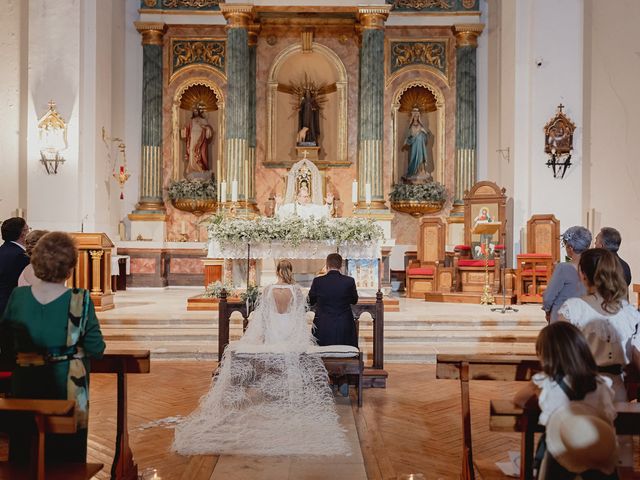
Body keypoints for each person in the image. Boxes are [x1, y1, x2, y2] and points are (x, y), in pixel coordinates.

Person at [173, 260, 348, 456]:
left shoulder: (268, 290)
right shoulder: (296, 291)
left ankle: (271, 392)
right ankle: (288, 392)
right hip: (290, 333)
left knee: (269, 354)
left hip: (274, 333)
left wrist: (263, 337)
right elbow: (300, 317)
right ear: (291, 271)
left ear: (276, 271)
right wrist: (299, 338)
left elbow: (263, 318)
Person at [0, 232, 105, 463]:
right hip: (67, 389)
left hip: (25, 385)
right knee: (65, 459)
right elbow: (96, 348)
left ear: (36, 260)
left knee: (24, 455)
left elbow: (6, 345)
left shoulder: (18, 297)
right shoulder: (80, 299)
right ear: (70, 266)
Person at [514, 322, 618, 479]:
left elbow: (519, 399)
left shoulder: (546, 382)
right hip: (597, 447)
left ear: (546, 356)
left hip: (560, 449)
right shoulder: (602, 383)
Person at [557, 248, 639, 401]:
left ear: (583, 275)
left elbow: (561, 356)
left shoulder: (572, 309)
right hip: (617, 391)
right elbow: (636, 355)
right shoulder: (630, 312)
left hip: (583, 391)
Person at [542, 226, 591, 322]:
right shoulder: (594, 267)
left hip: (563, 321)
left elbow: (548, 297)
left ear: (570, 247)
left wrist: (547, 311)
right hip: (585, 318)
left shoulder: (563, 268)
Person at [309, 253, 359, 348]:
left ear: (327, 265)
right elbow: (354, 300)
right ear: (341, 265)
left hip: (323, 326)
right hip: (344, 326)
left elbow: (310, 301)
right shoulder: (349, 281)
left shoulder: (318, 281)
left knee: (321, 351)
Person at [0, 217, 30, 315]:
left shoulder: (2, 250)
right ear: (23, 233)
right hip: (11, 306)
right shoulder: (21, 256)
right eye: (28, 229)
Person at [181, 102, 214, 175]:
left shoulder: (203, 120)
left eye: (196, 110)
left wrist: (205, 127)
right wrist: (184, 130)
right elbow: (187, 130)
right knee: (192, 151)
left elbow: (209, 130)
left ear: (199, 111)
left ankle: (201, 168)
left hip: (201, 139)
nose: (195, 112)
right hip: (192, 138)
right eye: (194, 111)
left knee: (201, 152)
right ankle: (192, 168)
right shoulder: (191, 121)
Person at [402, 108, 434, 182]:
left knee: (421, 158)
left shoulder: (420, 125)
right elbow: (408, 136)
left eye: (417, 116)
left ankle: (421, 171)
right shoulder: (411, 126)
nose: (415, 117)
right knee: (413, 158)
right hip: (414, 146)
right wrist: (407, 141)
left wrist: (424, 134)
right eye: (414, 116)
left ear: (418, 117)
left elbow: (426, 134)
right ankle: (413, 172)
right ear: (412, 117)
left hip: (420, 146)